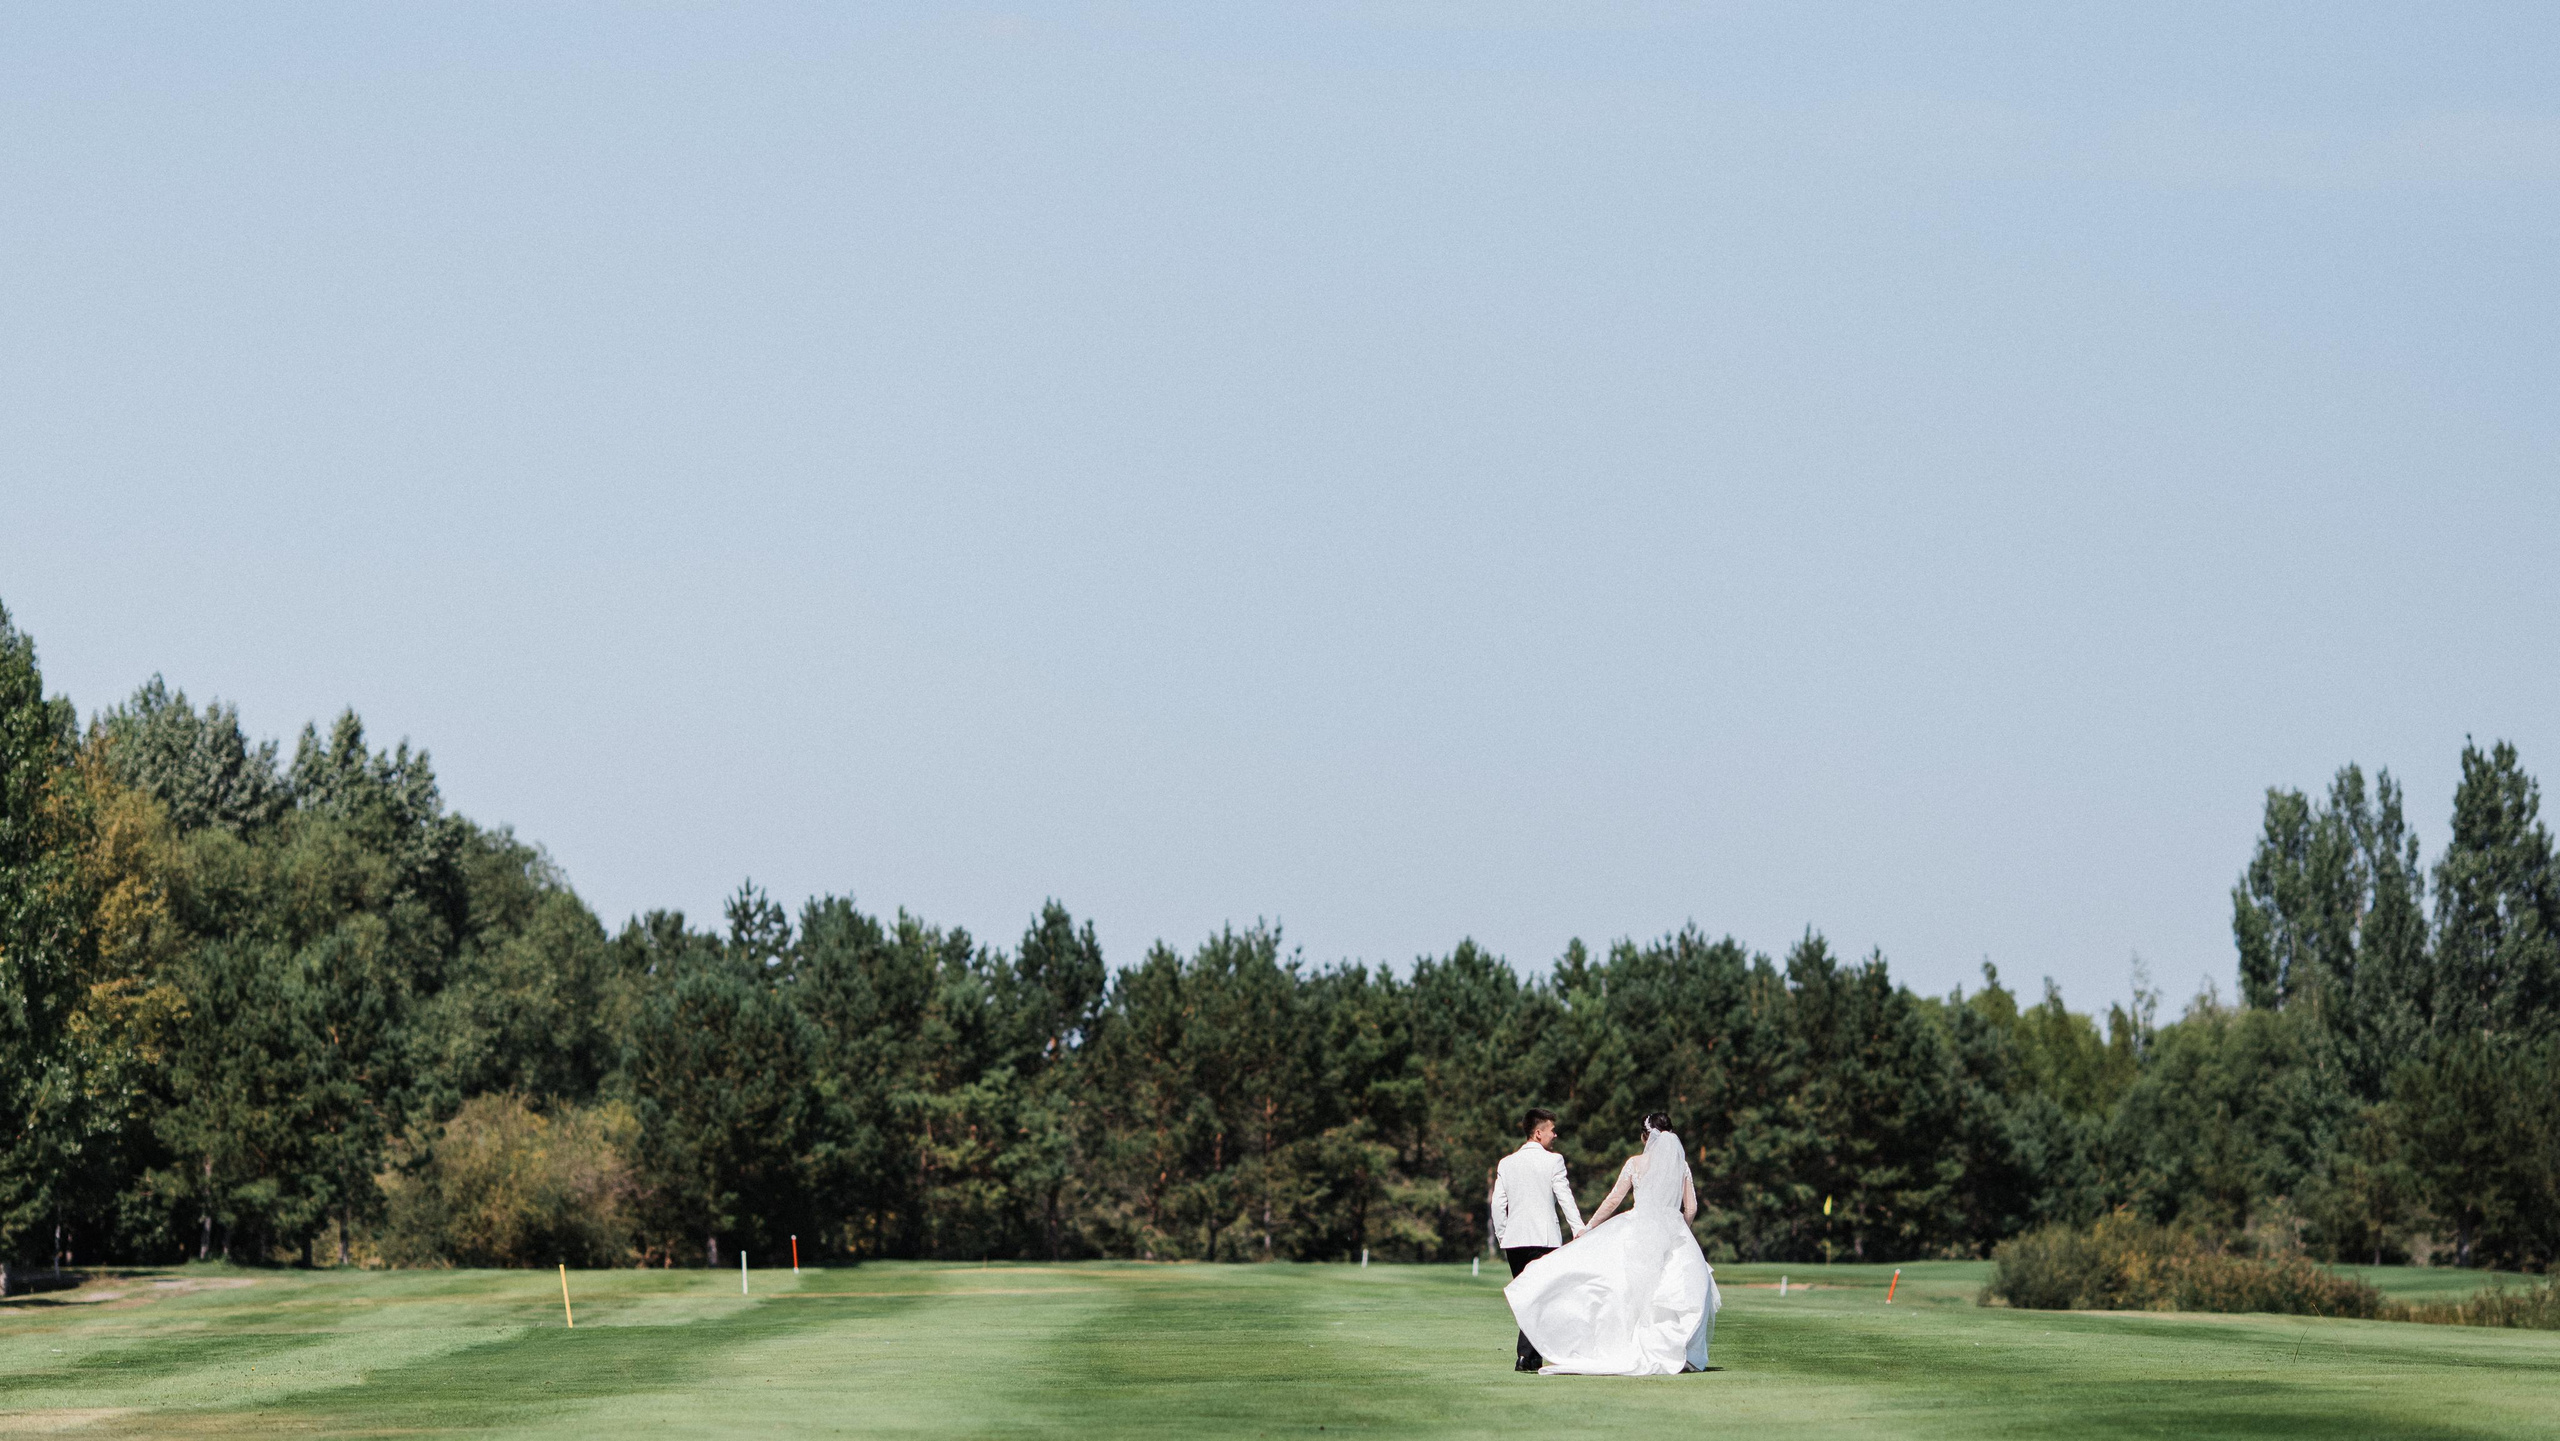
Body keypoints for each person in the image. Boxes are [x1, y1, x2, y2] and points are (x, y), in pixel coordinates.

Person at [1503, 1112, 1720, 1375]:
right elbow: (1692, 1208)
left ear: (1645, 1137)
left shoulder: (1635, 1163)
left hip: (1638, 1231)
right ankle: (1672, 1350)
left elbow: (1613, 1200)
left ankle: (1628, 1346)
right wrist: (1679, 1229)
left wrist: (1589, 1227)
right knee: (1671, 1290)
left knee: (1626, 1289)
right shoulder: (1681, 1165)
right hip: (1674, 1231)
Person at [1488, 1107, 1586, 1372]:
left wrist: (1503, 1235)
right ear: (1538, 1133)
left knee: (1529, 1297)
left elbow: (1498, 1204)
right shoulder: (1554, 1161)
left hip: (1515, 1241)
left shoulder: (1506, 1163)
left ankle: (1530, 1358)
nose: (1555, 1135)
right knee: (1540, 1298)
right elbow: (1565, 1197)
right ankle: (1525, 1355)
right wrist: (1578, 1228)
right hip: (1544, 1240)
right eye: (1552, 1130)